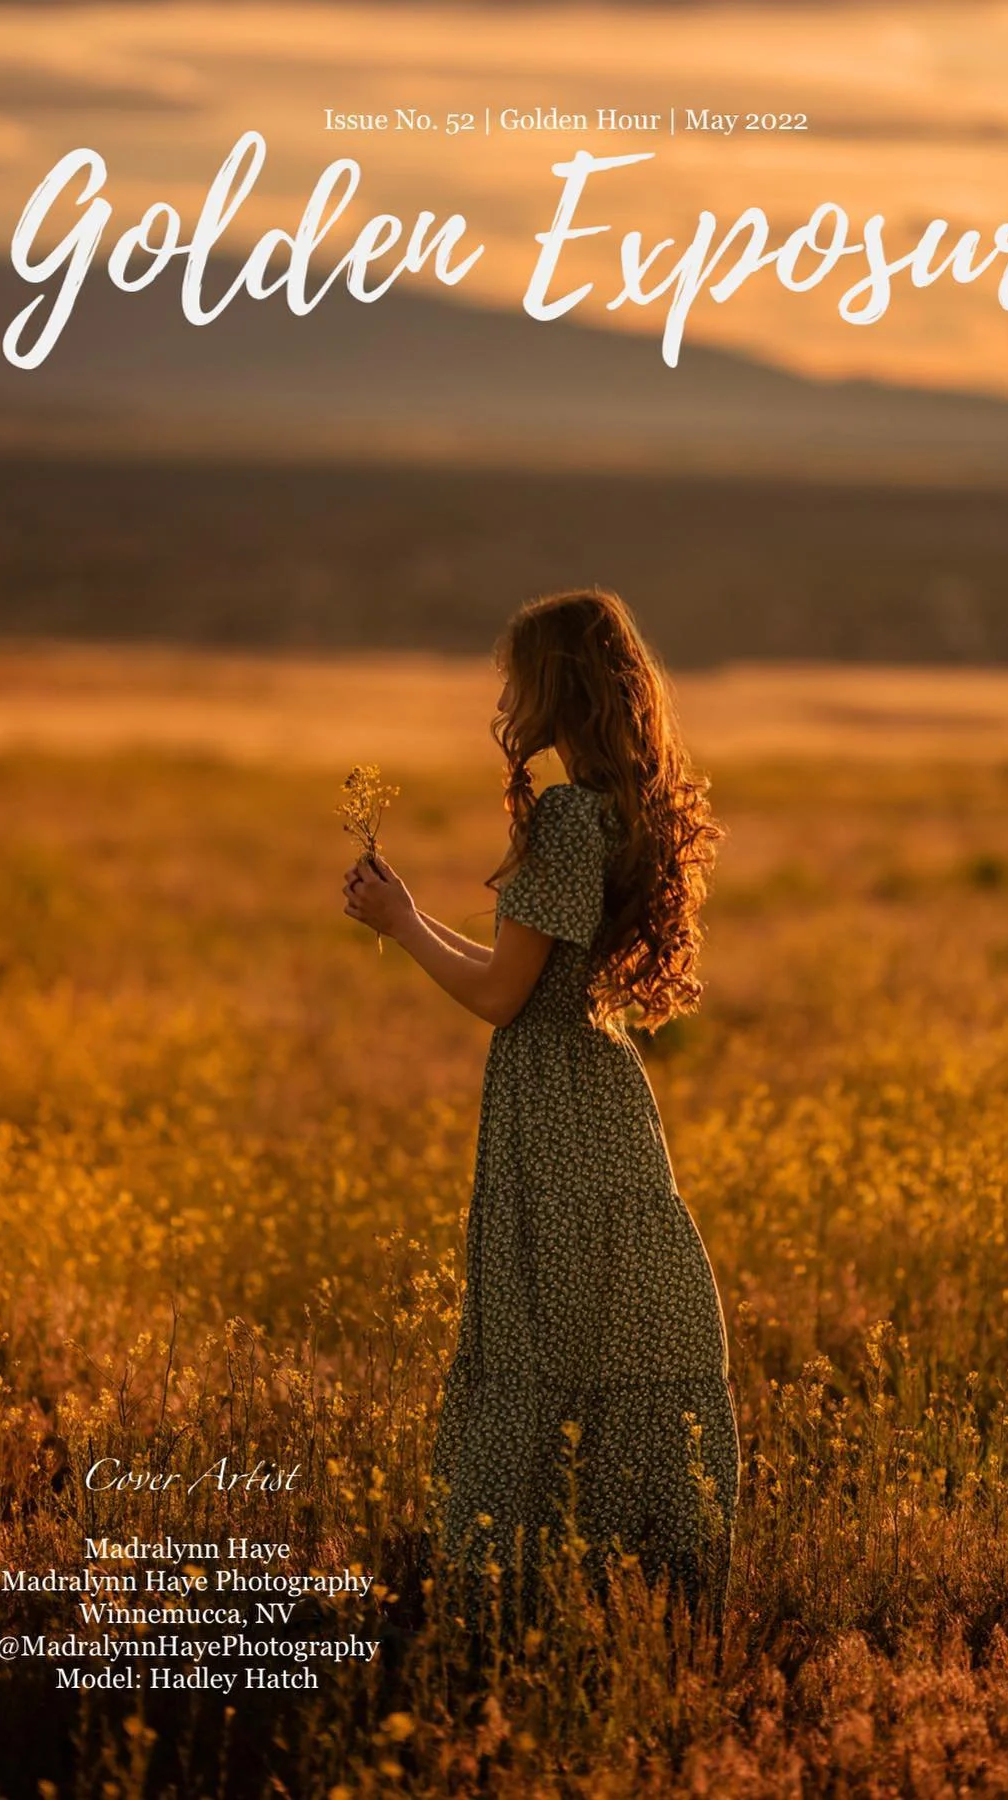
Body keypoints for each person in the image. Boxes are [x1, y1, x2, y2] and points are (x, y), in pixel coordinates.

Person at [342, 587, 741, 1662]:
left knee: (538, 1343)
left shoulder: (570, 817)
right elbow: (525, 975)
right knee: (607, 1342)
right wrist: (414, 914)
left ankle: (510, 1603)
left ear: (554, 686)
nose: (505, 698)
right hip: (601, 1100)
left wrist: (397, 919)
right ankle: (638, 1581)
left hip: (553, 1108)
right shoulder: (616, 804)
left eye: (517, 677)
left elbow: (498, 999)